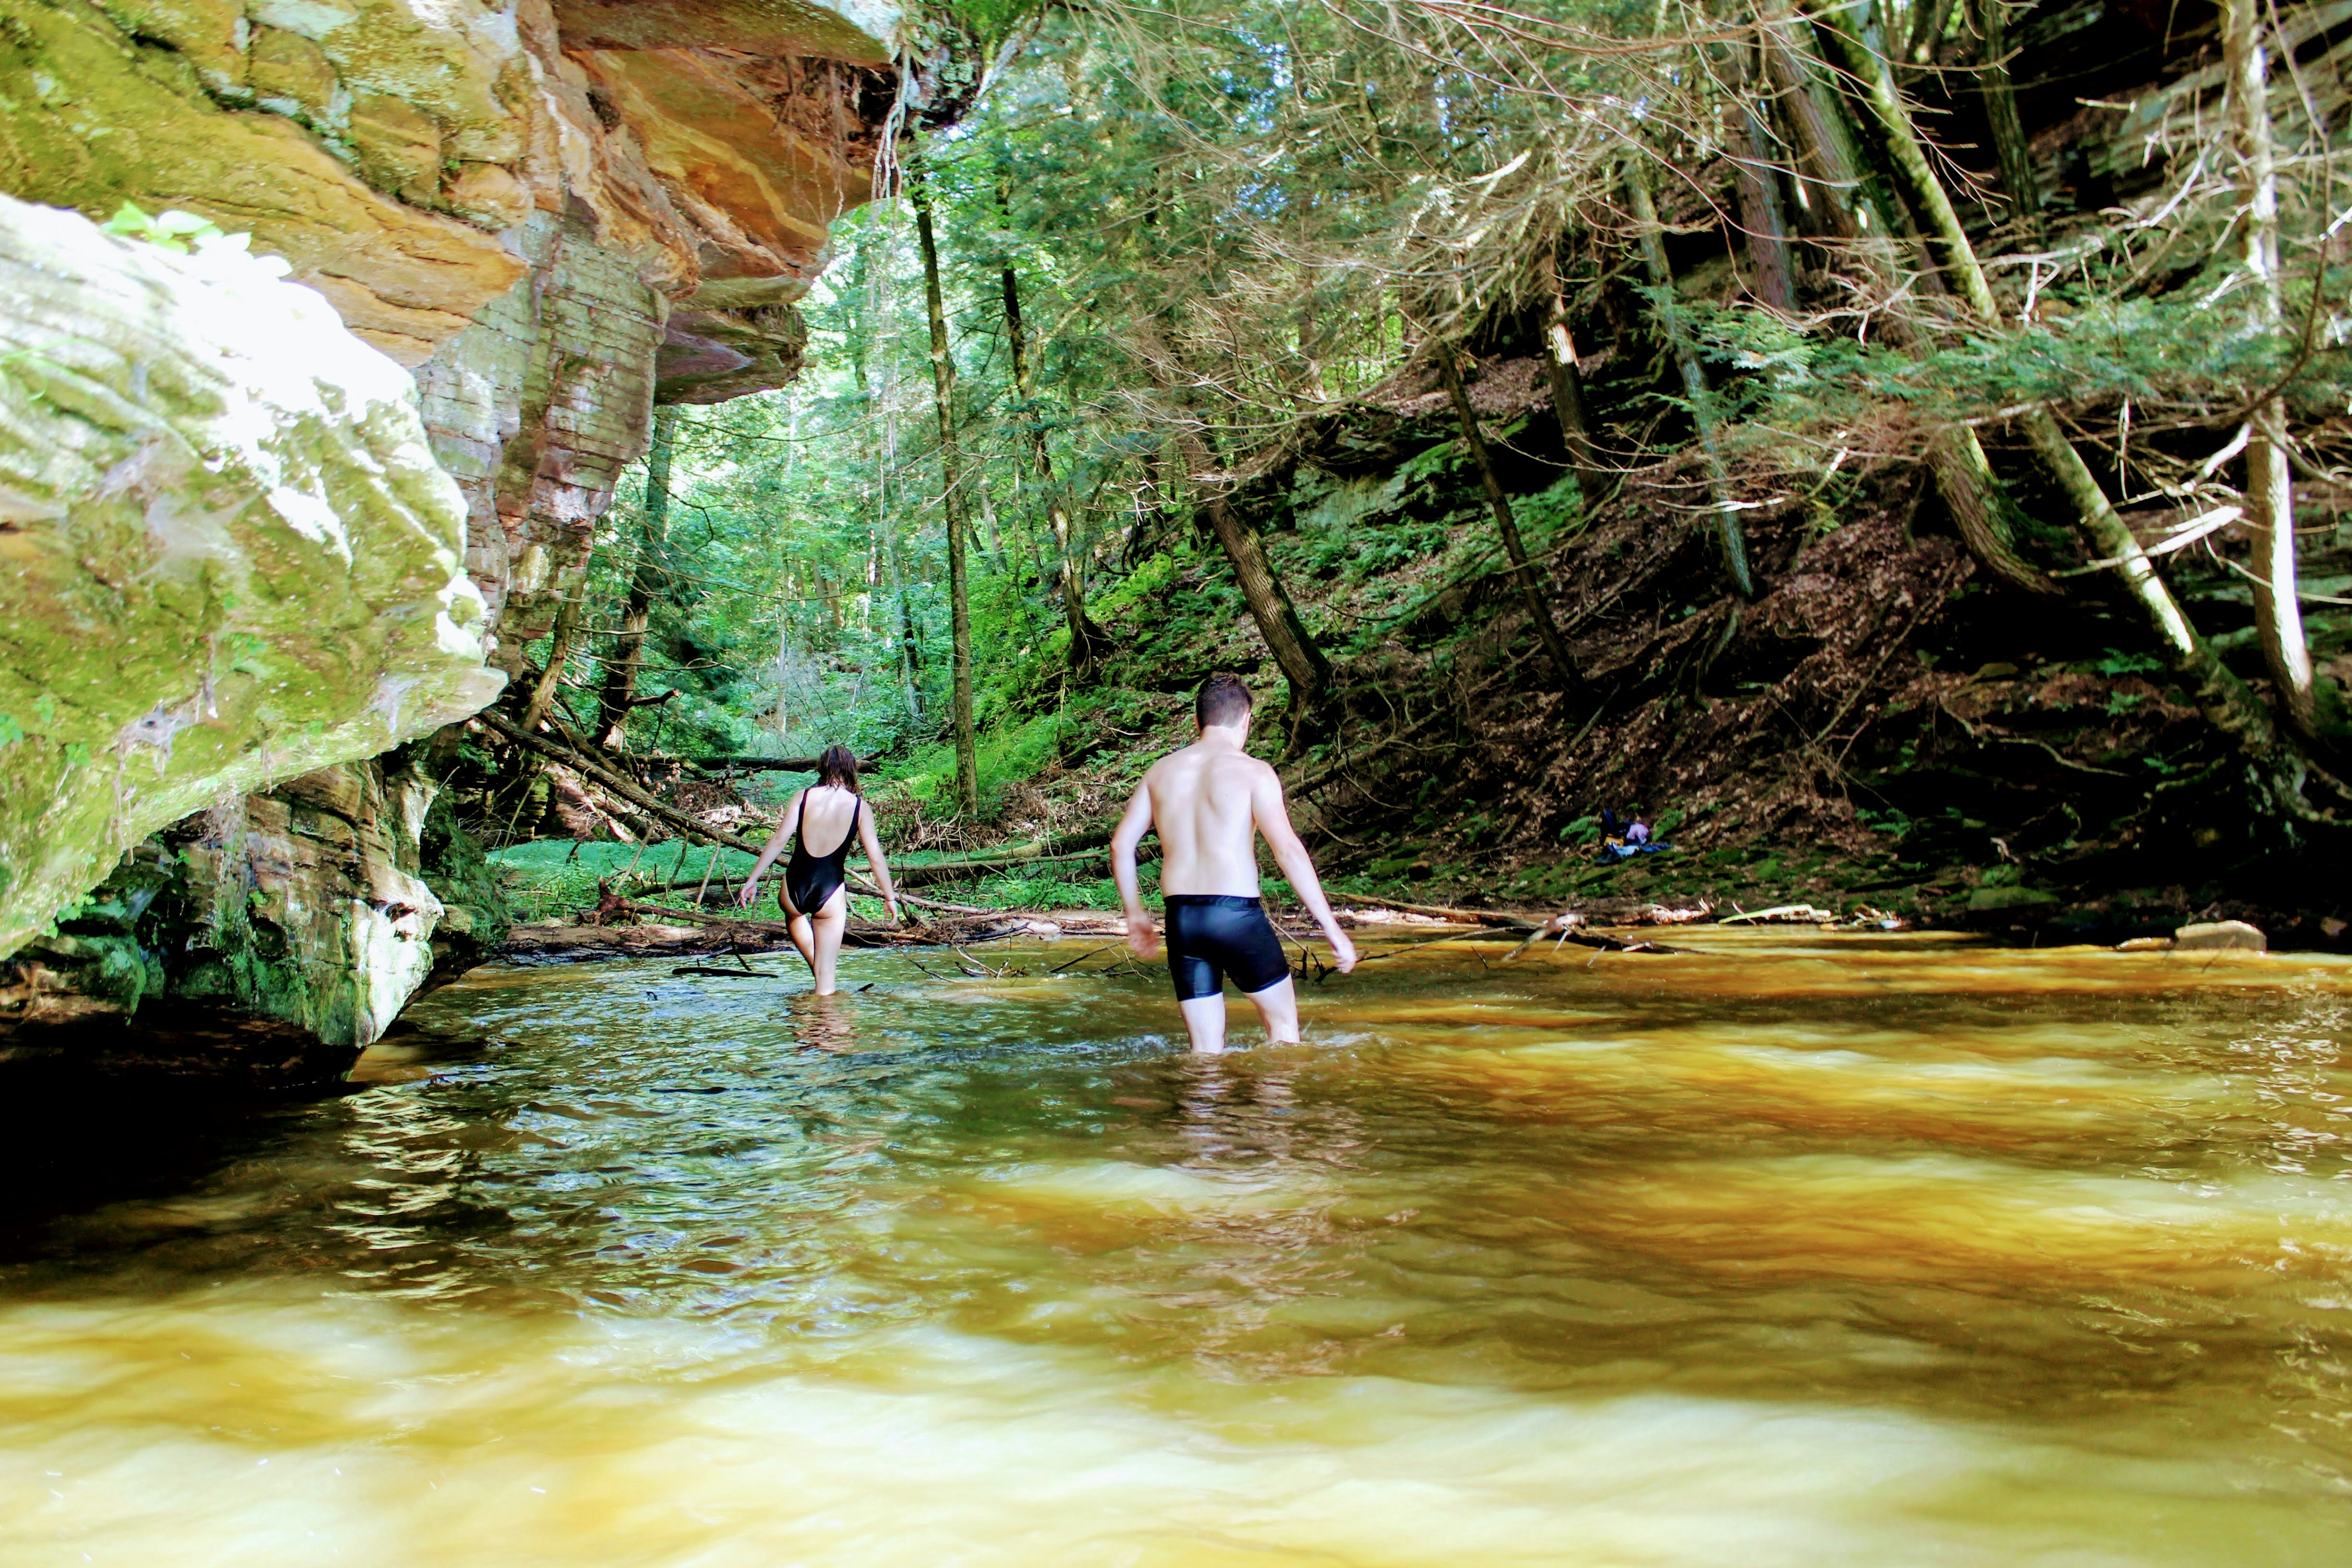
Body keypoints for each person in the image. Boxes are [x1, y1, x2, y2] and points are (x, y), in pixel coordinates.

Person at [1112, 673, 1358, 1054]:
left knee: (1205, 1051)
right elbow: (1288, 851)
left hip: (1183, 921)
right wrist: (1331, 927)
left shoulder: (1159, 772)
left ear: (1197, 722)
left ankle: (1201, 1112)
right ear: (1246, 721)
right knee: (1282, 1030)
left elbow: (1121, 845)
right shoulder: (1254, 772)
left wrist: (1136, 914)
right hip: (1236, 916)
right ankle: (1271, 1114)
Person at [738, 745, 899, 995]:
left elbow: (780, 840)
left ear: (822, 767)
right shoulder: (859, 807)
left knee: (794, 917)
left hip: (793, 887)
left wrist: (753, 879)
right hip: (830, 890)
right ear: (851, 770)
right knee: (826, 982)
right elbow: (875, 857)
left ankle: (817, 984)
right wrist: (889, 897)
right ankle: (826, 1017)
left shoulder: (802, 797)